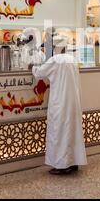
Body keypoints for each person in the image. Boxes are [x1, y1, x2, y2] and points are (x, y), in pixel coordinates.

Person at [32, 45, 87, 175]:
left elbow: (39, 74)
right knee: (72, 132)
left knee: (59, 133)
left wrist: (34, 66)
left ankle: (61, 166)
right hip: (73, 102)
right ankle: (73, 163)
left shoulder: (55, 60)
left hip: (60, 103)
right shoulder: (72, 59)